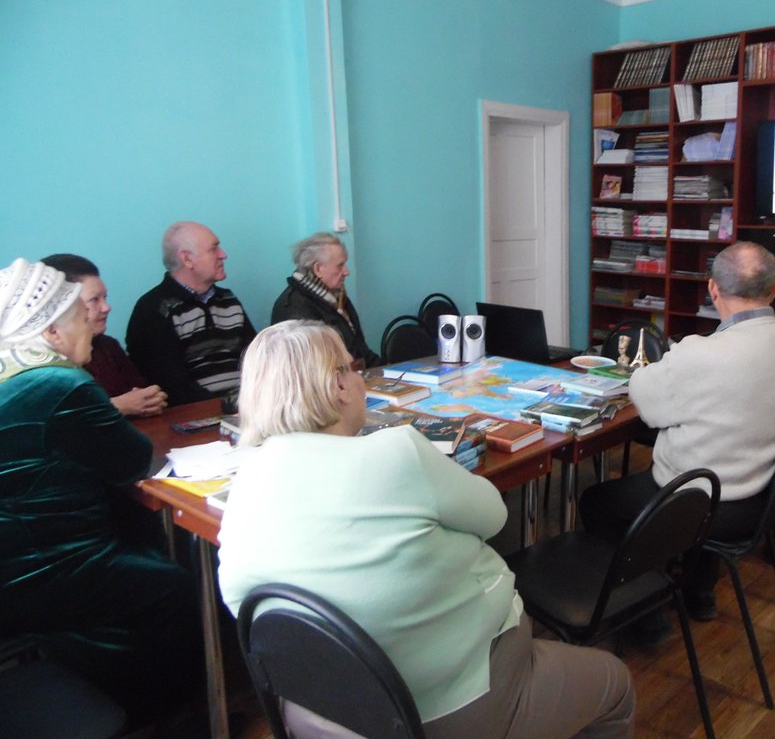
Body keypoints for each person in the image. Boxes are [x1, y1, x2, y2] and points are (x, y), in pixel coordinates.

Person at [216, 320, 635, 739]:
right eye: (354, 368)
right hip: (455, 702)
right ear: (338, 386)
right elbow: (494, 516)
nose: (361, 379)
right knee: (615, 686)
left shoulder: (245, 479)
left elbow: (244, 602)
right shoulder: (396, 452)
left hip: (321, 710)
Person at [0, 259, 201, 728]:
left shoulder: (9, 376)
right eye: (79, 315)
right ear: (52, 332)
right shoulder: (61, 384)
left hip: (15, 562)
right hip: (49, 569)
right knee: (172, 585)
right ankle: (174, 719)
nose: (92, 322)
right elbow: (133, 460)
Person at [579, 242, 775, 620]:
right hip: (764, 495)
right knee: (712, 461)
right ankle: (698, 592)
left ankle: (643, 612)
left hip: (703, 504)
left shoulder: (701, 352)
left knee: (596, 502)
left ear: (712, 289)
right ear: (773, 290)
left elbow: (647, 402)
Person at [127, 221, 256, 407]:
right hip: (196, 414)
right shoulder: (154, 309)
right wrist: (227, 406)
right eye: (214, 249)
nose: (223, 255)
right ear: (187, 259)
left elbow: (256, 359)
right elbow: (172, 386)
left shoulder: (228, 300)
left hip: (247, 407)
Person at [41, 253, 168, 417]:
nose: (106, 307)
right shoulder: (40, 364)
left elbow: (142, 392)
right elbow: (54, 421)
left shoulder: (108, 346)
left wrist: (151, 398)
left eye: (105, 298)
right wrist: (118, 406)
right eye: (94, 300)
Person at [270, 231, 381, 369]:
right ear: (318, 269)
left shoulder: (338, 298)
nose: (347, 272)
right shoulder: (293, 307)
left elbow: (361, 350)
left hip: (354, 380)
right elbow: (314, 370)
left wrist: (388, 372)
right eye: (340, 265)